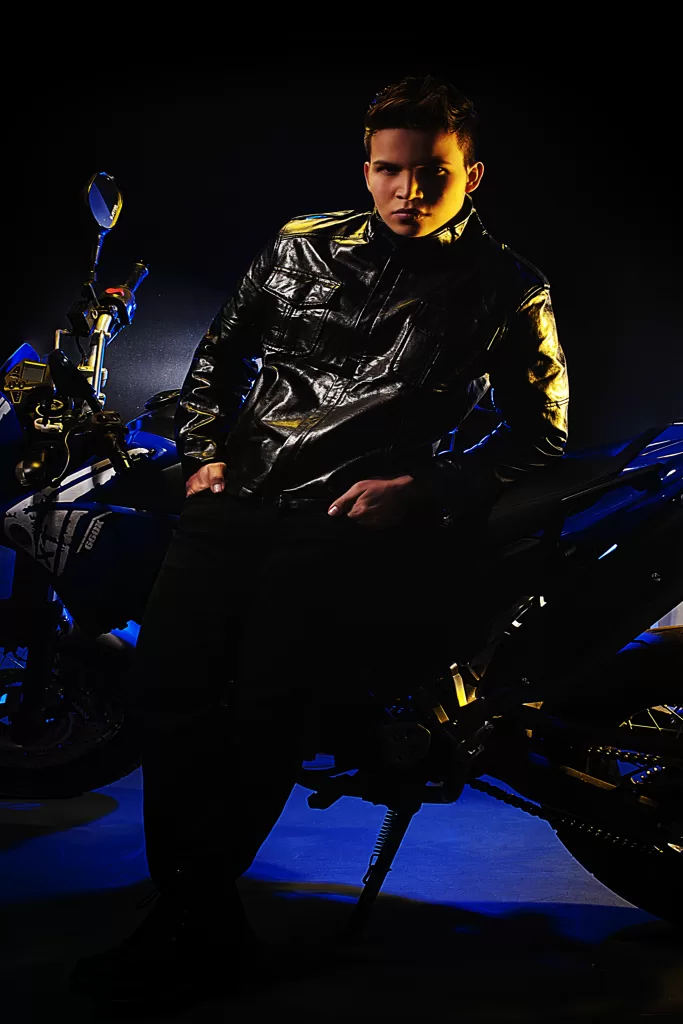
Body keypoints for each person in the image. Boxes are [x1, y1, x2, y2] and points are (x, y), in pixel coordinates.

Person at [70, 74, 569, 1004]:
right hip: (236, 500)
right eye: (388, 170)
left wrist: (420, 489)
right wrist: (204, 452)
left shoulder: (508, 285)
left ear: (470, 175)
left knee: (264, 717)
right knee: (166, 697)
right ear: (367, 168)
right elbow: (220, 356)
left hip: (343, 525)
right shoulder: (301, 242)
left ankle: (182, 923)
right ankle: (195, 910)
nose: (406, 191)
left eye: (431, 173)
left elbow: (541, 432)